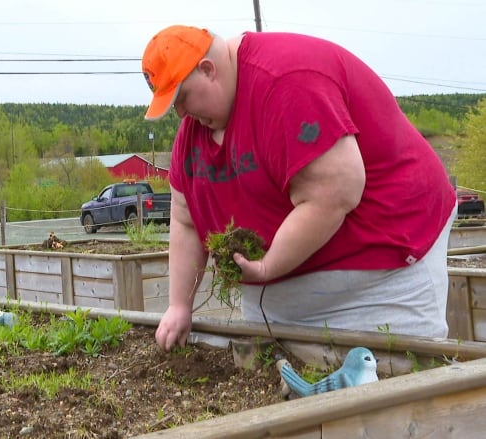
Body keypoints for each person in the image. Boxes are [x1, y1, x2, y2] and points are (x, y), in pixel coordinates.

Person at [141, 25, 457, 351]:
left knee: (392, 376)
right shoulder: (194, 132)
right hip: (277, 304)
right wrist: (179, 305)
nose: (180, 113)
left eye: (182, 97)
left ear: (208, 70)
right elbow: (185, 220)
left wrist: (269, 265)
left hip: (383, 273)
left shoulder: (286, 82)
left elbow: (335, 193)